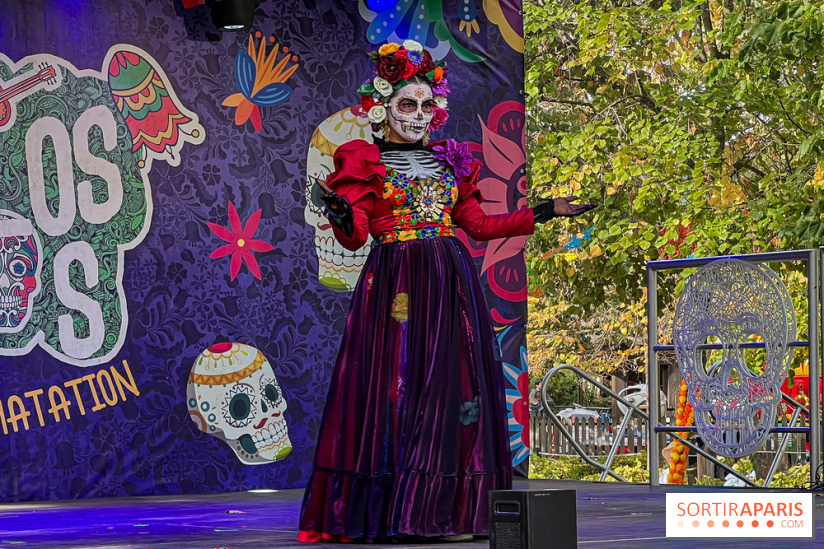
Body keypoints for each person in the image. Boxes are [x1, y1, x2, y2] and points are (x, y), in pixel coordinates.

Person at [298, 41, 596, 543]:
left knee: (451, 392)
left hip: (448, 281)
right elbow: (356, 235)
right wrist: (339, 211)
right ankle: (398, 511)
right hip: (396, 285)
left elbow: (477, 226)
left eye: (426, 105)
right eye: (407, 104)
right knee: (396, 389)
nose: (418, 115)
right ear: (383, 107)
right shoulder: (361, 160)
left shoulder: (451, 160)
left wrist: (543, 210)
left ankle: (446, 511)